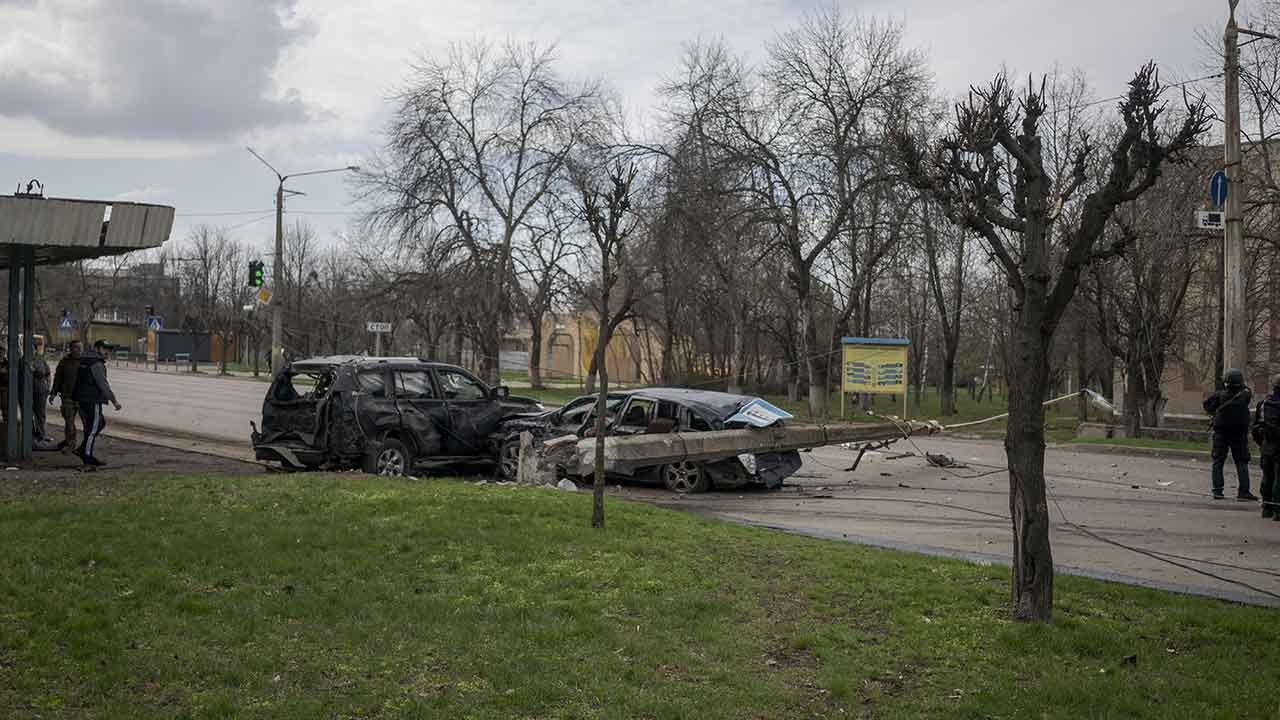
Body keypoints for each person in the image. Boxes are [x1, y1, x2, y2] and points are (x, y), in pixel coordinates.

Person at [1204, 368, 1258, 501]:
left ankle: (1217, 491)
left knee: (1218, 462)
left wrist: (1214, 412)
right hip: (1239, 435)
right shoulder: (1245, 395)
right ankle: (1244, 492)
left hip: (1221, 433)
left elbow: (1207, 405)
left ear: (1226, 383)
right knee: (1241, 462)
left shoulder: (1218, 396)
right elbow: (1246, 390)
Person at [71, 340, 121, 467]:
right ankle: (87, 458)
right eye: (105, 349)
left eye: (110, 350)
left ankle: (83, 450)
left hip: (82, 398)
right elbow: (102, 384)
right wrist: (114, 401)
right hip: (92, 400)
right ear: (97, 348)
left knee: (100, 423)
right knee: (92, 429)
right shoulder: (96, 363)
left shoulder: (86, 359)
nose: (108, 352)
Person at [1253, 374, 1280, 521]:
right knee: (1278, 478)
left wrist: (1262, 442)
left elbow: (1256, 427)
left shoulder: (1263, 403)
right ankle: (1278, 511)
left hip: (1267, 444)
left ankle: (1266, 508)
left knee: (1267, 476)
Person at [51, 340, 82, 452]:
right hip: (68, 397)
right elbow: (57, 378)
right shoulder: (64, 362)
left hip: (82, 398)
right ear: (71, 349)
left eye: (80, 348)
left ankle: (85, 447)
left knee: (87, 423)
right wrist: (53, 393)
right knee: (69, 422)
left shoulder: (85, 362)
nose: (79, 350)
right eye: (77, 348)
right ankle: (71, 443)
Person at [30, 341, 50, 441]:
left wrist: (48, 388)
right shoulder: (22, 361)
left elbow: (47, 374)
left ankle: (42, 435)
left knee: (40, 414)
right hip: (27, 392)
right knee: (28, 414)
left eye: (32, 348)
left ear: (35, 349)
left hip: (40, 390)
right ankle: (31, 435)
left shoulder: (41, 360)